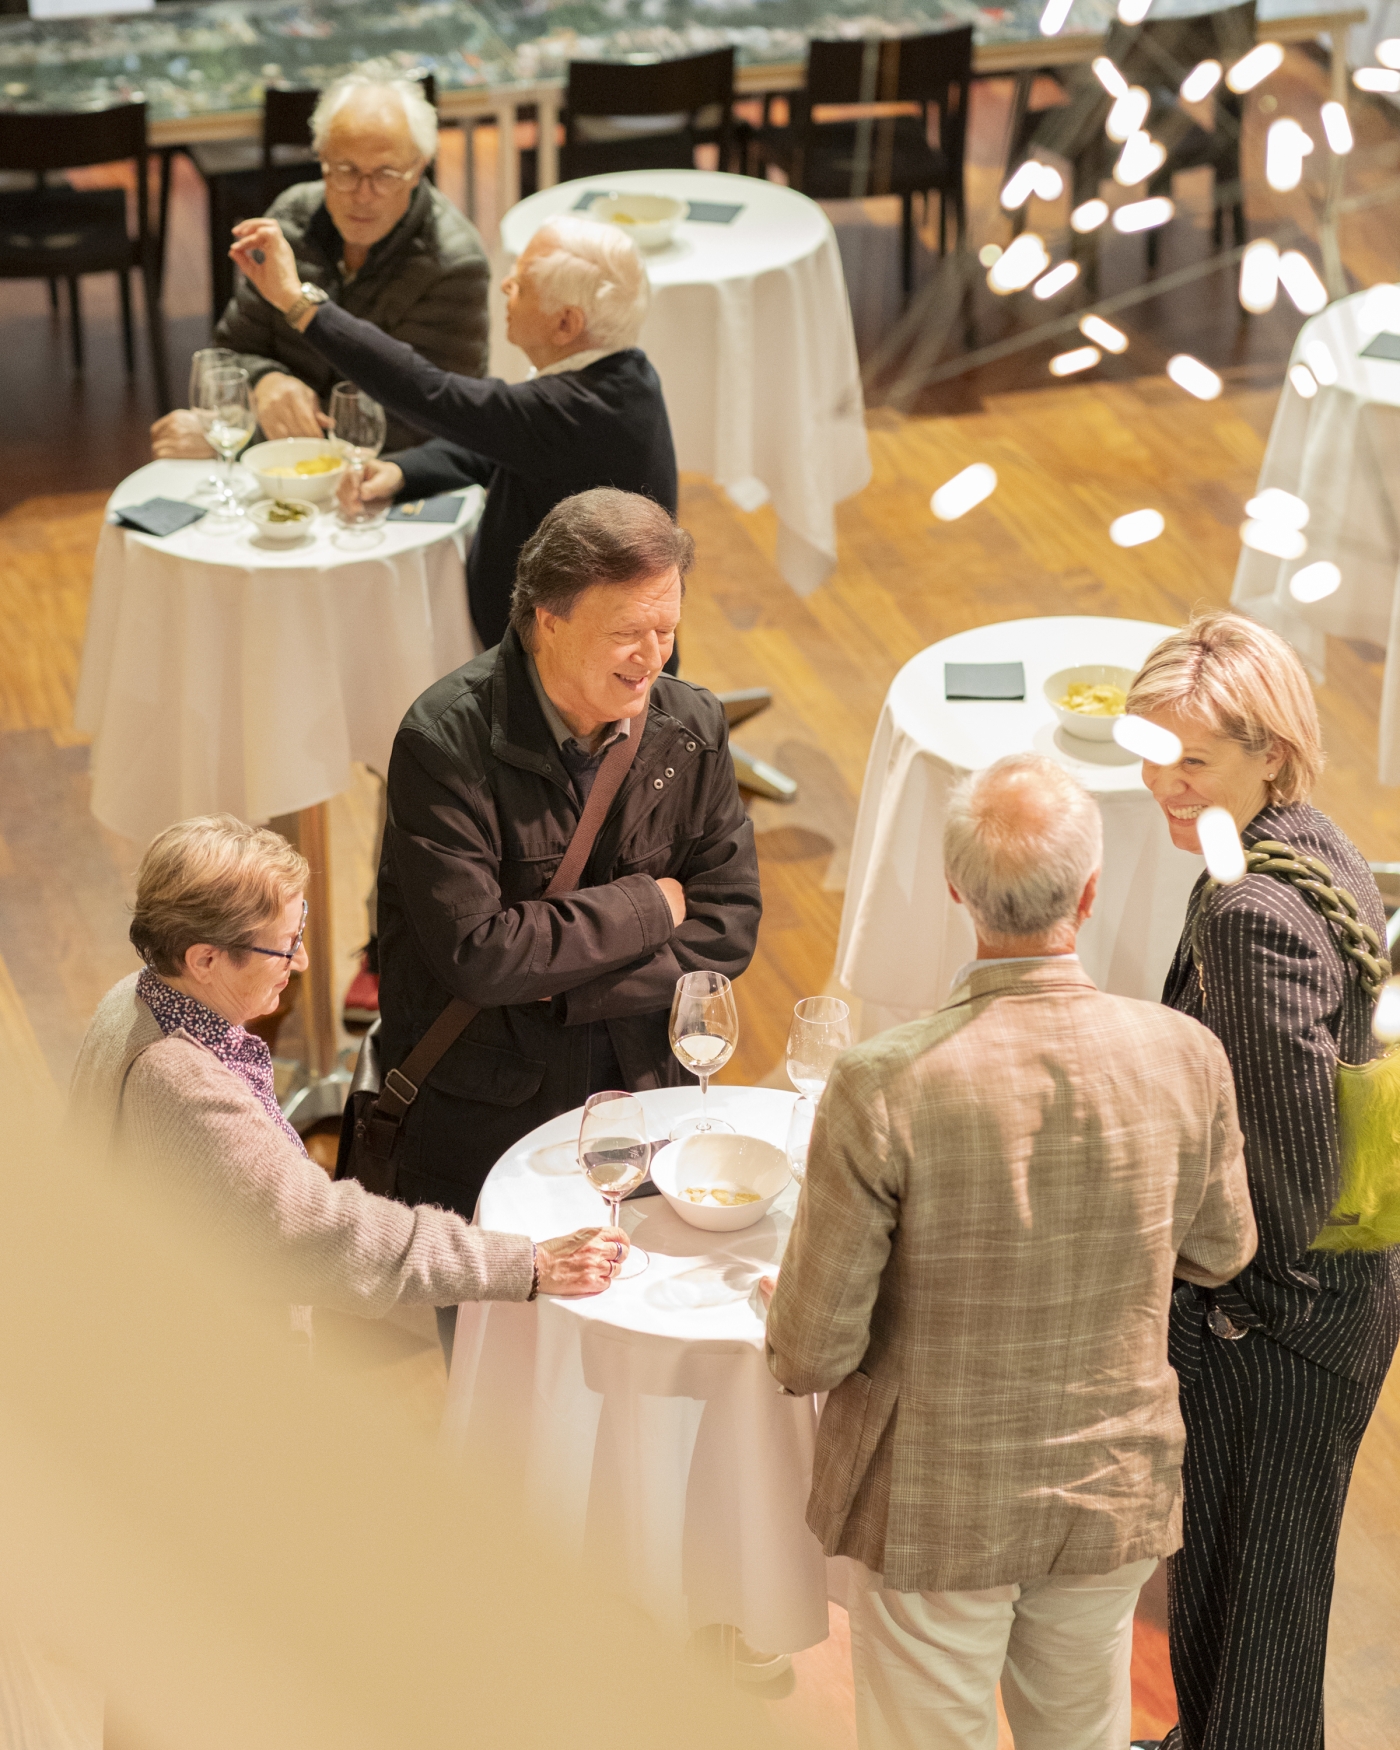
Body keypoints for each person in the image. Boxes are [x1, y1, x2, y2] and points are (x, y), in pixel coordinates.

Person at [764, 752, 1257, 1750]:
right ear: (1089, 891)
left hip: (931, 1496)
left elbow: (809, 1353)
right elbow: (1221, 1250)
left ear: (956, 889)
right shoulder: (1184, 1055)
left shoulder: (880, 1082)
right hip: (1108, 1482)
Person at [366, 488, 759, 1338]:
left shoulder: (692, 726)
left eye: (667, 630)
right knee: (494, 1365)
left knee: (637, 1344)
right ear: (548, 617)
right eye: (629, 632)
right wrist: (650, 904)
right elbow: (480, 954)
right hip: (486, 1114)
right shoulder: (443, 742)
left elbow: (729, 923)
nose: (652, 658)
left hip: (645, 1103)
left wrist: (561, 986)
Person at [1124, 612, 1400, 1750]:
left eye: (1193, 759)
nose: (1166, 785)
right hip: (1344, 1295)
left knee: (1250, 1632)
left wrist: (1226, 1301)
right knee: (1250, 1607)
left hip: (1279, 1328)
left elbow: (1292, 1181)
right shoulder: (1314, 841)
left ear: (1270, 752)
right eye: (1153, 754)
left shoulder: (1248, 915)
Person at [68, 816, 629, 1320]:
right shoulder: (183, 1086)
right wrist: (529, 1264)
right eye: (284, 946)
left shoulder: (133, 997)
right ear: (205, 959)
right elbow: (327, 1234)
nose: (302, 961)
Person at [229, 212, 677, 652]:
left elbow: (427, 391)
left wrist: (300, 303)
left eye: (522, 285)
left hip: (579, 672)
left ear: (566, 324)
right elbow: (505, 445)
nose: (505, 285)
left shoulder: (571, 411)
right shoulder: (625, 378)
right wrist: (403, 472)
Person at [152, 75, 490, 458]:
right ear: (321, 161)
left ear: (418, 169)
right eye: (345, 170)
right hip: (284, 472)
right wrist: (266, 381)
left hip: (390, 478)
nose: (363, 195)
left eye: (384, 174)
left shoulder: (454, 265)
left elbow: (416, 424)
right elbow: (229, 353)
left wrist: (243, 434)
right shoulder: (290, 221)